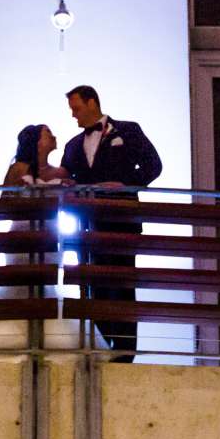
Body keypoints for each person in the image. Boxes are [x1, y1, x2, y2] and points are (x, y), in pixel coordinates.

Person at [55, 84, 163, 357]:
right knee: (93, 286)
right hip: (86, 226)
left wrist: (126, 185)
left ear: (92, 103)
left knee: (123, 285)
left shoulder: (128, 130)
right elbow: (69, 178)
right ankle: (101, 348)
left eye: (76, 108)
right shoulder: (72, 145)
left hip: (122, 220)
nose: (73, 115)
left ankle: (126, 352)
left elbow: (154, 166)